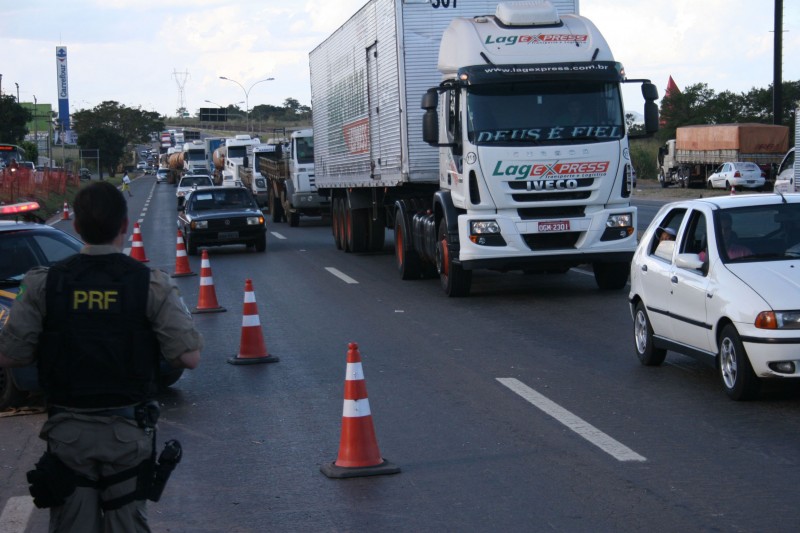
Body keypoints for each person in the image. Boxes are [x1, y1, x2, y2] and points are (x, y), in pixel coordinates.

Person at [0, 181, 203, 532]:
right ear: (125, 226)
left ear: (75, 226)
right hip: (127, 432)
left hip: (68, 434)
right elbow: (189, 357)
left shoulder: (44, 284)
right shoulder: (150, 283)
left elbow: (10, 356)